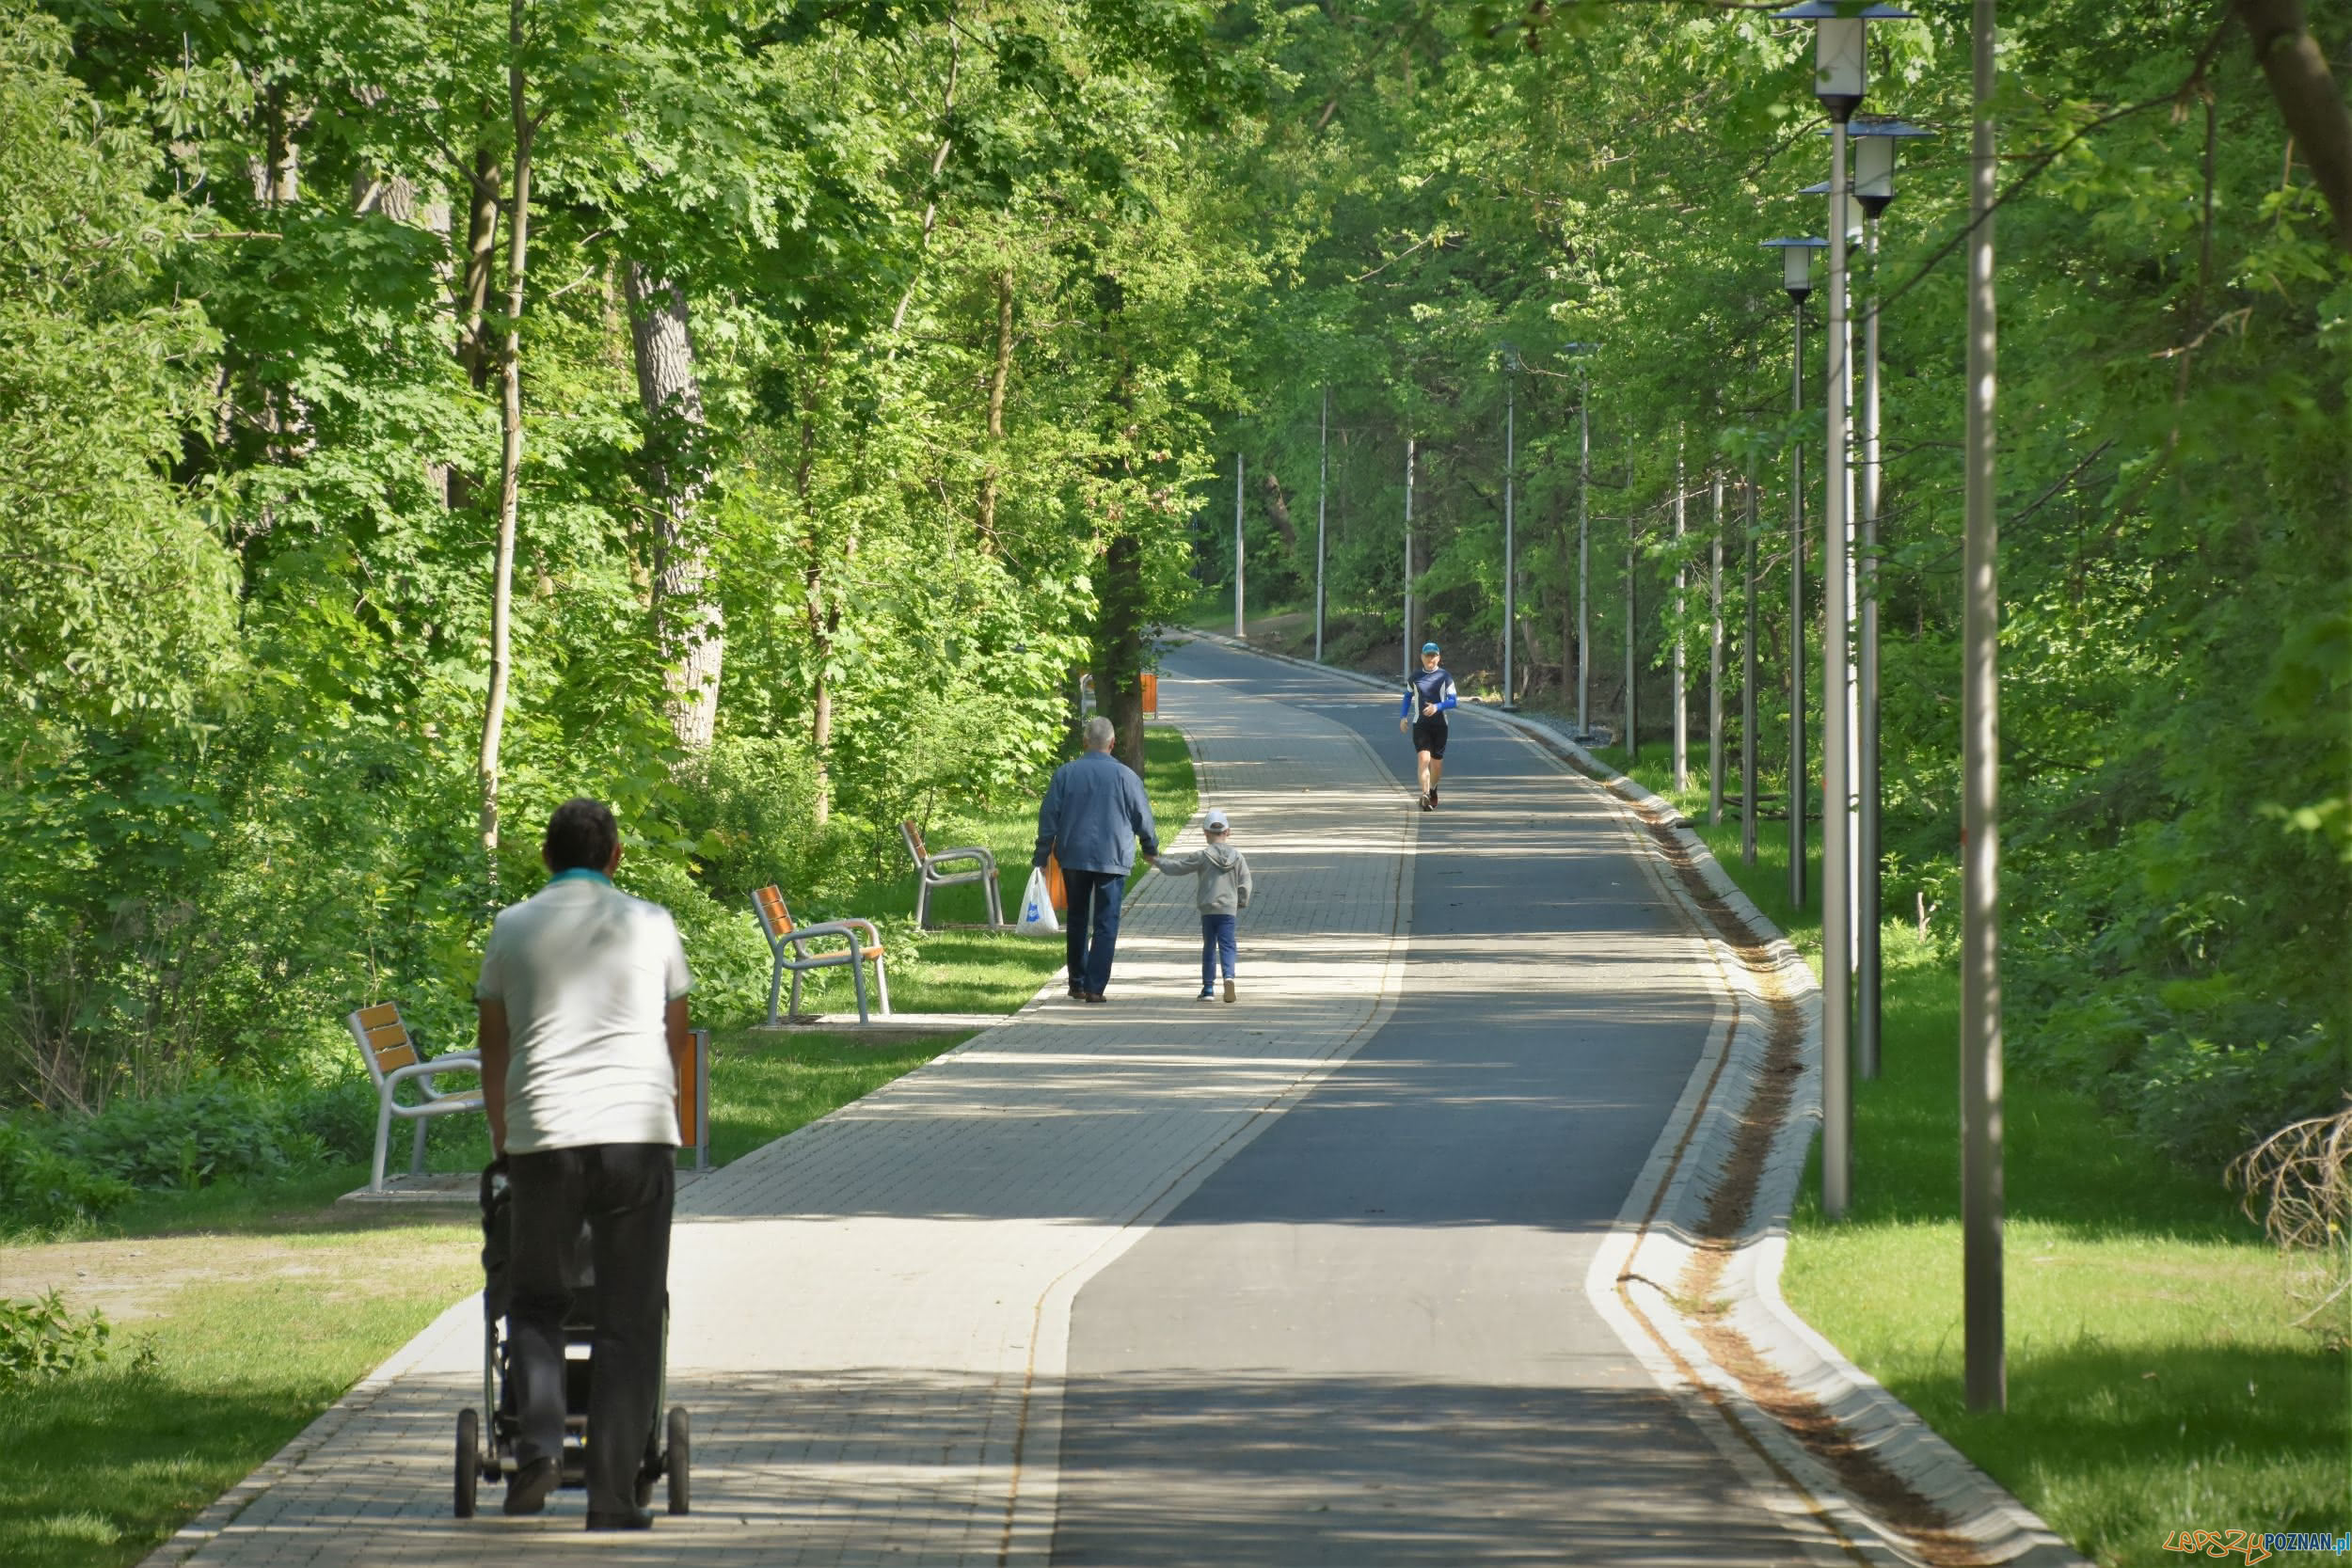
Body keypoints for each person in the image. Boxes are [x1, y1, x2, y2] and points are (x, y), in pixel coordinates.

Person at [475, 798, 691, 1530]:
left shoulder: (512, 926)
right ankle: (611, 1495)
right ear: (615, 856)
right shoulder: (651, 923)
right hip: (636, 1132)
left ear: (545, 857)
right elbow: (677, 1033)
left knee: (536, 1300)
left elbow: (493, 1042)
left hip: (546, 1135)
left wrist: (505, 1132)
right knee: (629, 1314)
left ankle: (536, 1444)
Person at [1033, 715, 1159, 1003]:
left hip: (1073, 856)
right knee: (1106, 922)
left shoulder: (1065, 774)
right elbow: (1143, 817)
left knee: (1077, 918)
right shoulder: (1127, 777)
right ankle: (1094, 986)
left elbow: (1048, 817)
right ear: (1113, 743)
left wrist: (1041, 854)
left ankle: (1076, 982)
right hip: (1112, 858)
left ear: (1085, 742)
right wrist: (1149, 847)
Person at [1152, 808, 1253, 1003]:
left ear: (1205, 832)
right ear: (1228, 832)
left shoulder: (1203, 855)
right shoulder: (1237, 857)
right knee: (1227, 945)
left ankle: (1208, 989)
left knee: (1209, 946)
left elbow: (1178, 867)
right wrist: (1241, 900)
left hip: (1208, 909)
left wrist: (1157, 861)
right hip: (1228, 910)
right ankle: (1229, 977)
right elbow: (1246, 881)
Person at [1399, 641, 1457, 810]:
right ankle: (1425, 794)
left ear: (1438, 657)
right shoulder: (1415, 677)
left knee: (1436, 763)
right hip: (1421, 724)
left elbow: (1454, 701)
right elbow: (1407, 697)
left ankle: (1433, 790)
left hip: (1440, 725)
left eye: (1433, 655)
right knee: (1423, 759)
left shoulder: (1445, 677)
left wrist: (1437, 707)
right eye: (1427, 655)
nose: (1430, 659)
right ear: (1421, 657)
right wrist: (1403, 717)